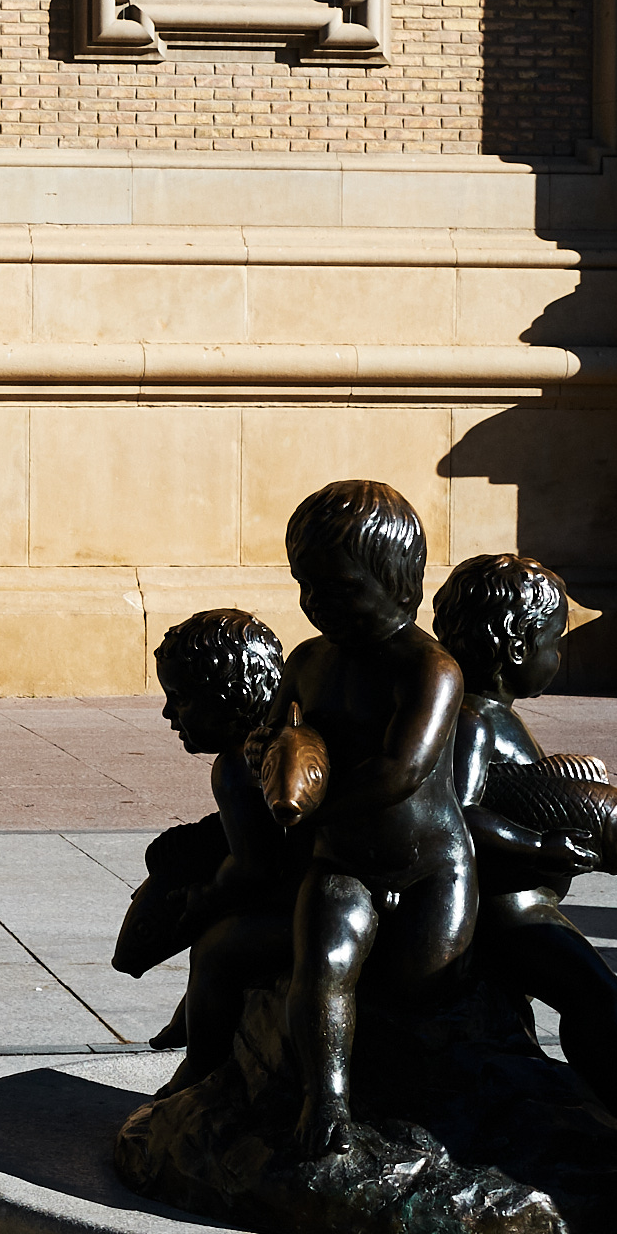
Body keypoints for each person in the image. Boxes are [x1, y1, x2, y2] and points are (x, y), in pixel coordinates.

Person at [432, 554, 617, 1164]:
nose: (560, 655)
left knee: (588, 992)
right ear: (515, 644)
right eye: (554, 641)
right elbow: (461, 814)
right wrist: (544, 846)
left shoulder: (495, 717)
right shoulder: (474, 722)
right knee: (596, 992)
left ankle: (608, 1101)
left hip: (526, 897)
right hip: (504, 908)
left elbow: (517, 790)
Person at [256, 481, 477, 1158]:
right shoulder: (308, 662)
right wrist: (270, 757)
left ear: (398, 584)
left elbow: (398, 771)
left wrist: (315, 806)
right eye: (305, 585)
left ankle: (436, 1104)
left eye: (340, 588)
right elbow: (272, 738)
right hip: (342, 860)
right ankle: (326, 1104)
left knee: (427, 985)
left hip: (431, 866)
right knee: (322, 965)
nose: (317, 603)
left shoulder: (430, 669)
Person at [112, 609, 301, 1096]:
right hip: (306, 887)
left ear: (228, 698)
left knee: (218, 950)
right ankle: (193, 1022)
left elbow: (255, 868)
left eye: (180, 699)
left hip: (295, 902)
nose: (167, 714)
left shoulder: (237, 768)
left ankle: (203, 1065)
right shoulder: (278, 740)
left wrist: (205, 897)